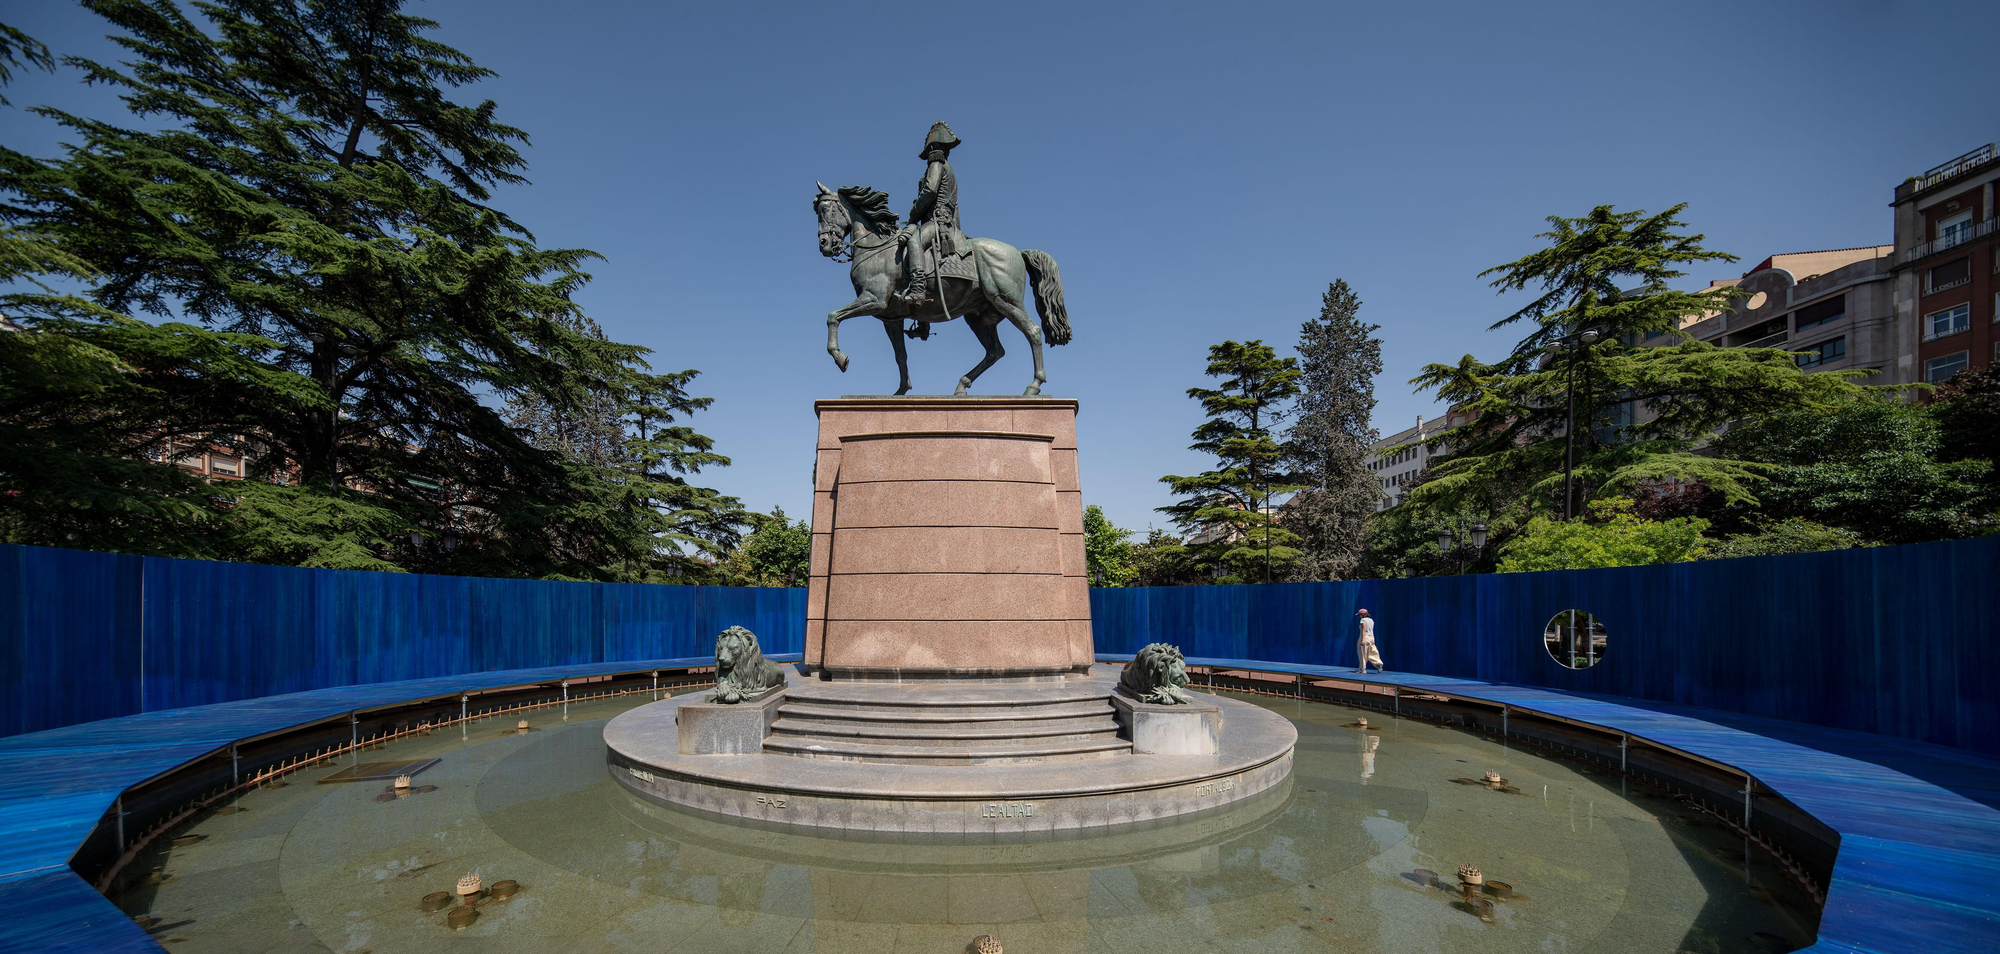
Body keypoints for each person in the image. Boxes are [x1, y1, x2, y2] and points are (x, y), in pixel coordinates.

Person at [889, 121, 966, 316]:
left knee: (914, 242)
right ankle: (923, 321)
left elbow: (930, 190)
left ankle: (918, 290)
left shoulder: (936, 164)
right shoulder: (948, 167)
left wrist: (914, 211)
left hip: (938, 222)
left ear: (933, 147)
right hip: (942, 221)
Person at [1355, 608, 1384, 674]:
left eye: (1359, 615)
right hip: (1371, 637)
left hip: (1365, 637)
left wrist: (1362, 640)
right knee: (1372, 652)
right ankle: (1378, 663)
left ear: (1362, 615)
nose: (1359, 616)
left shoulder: (1363, 620)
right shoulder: (1371, 620)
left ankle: (1362, 669)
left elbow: (1364, 629)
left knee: (1362, 653)